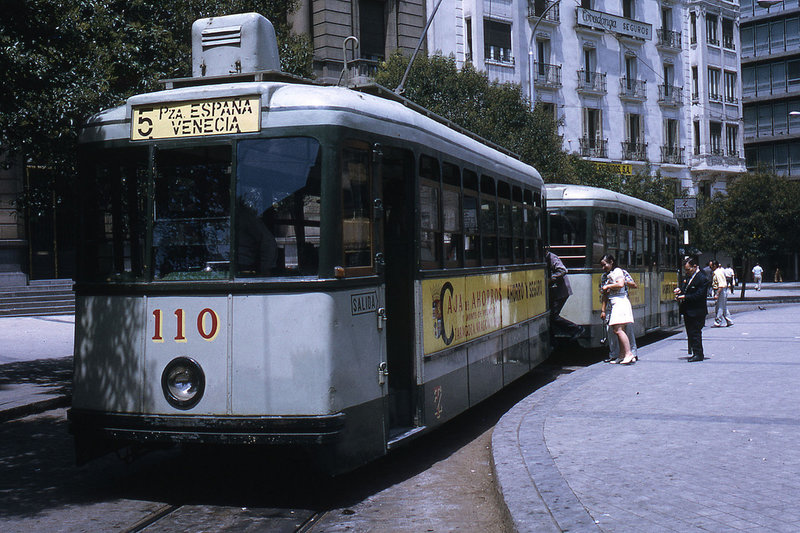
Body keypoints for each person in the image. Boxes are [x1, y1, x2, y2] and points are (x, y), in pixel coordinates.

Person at [599, 254, 635, 364]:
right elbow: (605, 295)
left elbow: (620, 284)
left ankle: (629, 353)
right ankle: (621, 355)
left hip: (620, 302)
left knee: (619, 330)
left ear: (611, 262)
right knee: (616, 330)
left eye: (604, 265)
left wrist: (608, 286)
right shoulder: (606, 276)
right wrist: (603, 310)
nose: (603, 268)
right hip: (613, 304)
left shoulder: (618, 271)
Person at [674, 257, 710, 362]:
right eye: (685, 269)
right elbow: (685, 288)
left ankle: (698, 354)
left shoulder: (702, 278)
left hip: (697, 310)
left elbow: (699, 295)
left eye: (688, 269)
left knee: (695, 332)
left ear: (695, 267)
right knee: (690, 332)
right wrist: (679, 290)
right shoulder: (689, 276)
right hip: (688, 310)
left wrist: (684, 297)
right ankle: (695, 352)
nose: (686, 272)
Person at [546, 250, 584, 342]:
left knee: (553, 316)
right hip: (555, 292)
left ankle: (576, 329)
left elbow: (563, 270)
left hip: (561, 291)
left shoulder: (551, 257)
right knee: (550, 316)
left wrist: (551, 279)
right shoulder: (546, 257)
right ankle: (552, 339)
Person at [711, 261, 733, 327]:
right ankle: (729, 321)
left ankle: (718, 322)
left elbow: (721, 284)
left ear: (714, 265)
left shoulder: (718, 273)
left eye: (711, 266)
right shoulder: (719, 271)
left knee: (719, 307)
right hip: (722, 290)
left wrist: (717, 294)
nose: (710, 267)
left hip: (720, 290)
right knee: (723, 306)